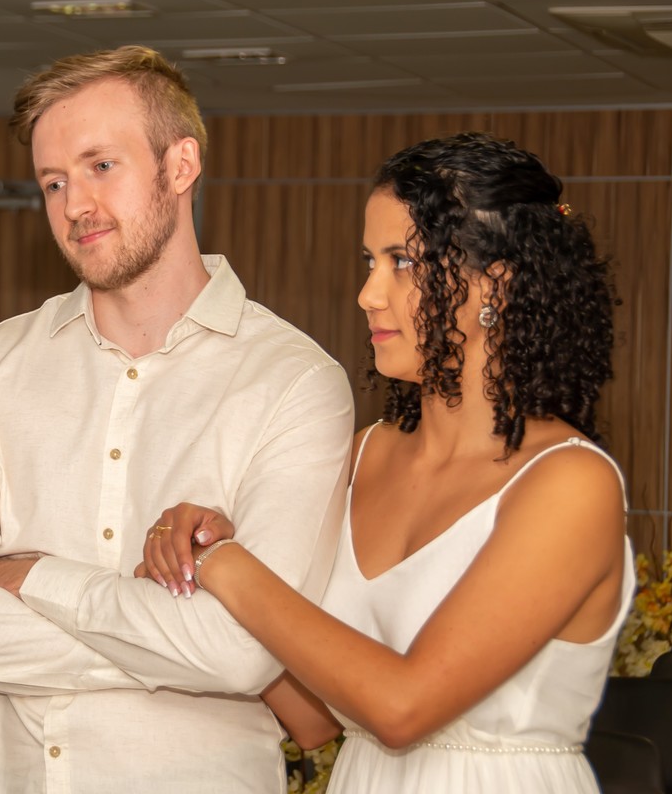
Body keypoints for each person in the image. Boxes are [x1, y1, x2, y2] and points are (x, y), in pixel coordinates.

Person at [0, 45, 354, 793]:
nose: (75, 205)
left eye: (101, 166)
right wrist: (179, 650)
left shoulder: (294, 382)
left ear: (180, 165)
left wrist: (37, 577)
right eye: (53, 182)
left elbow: (244, 655)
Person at [142, 132, 633, 792]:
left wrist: (228, 566)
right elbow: (314, 720)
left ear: (496, 282)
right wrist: (195, 564)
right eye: (370, 261)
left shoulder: (572, 483)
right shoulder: (360, 456)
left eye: (402, 261)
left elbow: (402, 708)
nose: (368, 293)